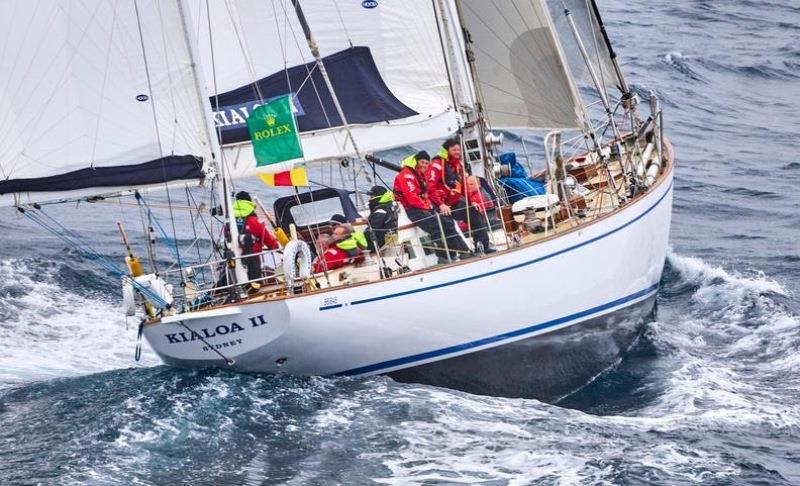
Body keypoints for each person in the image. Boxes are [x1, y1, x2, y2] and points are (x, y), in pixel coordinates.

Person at [393, 150, 468, 262]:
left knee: (448, 223)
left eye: (427, 163)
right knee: (435, 225)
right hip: (413, 210)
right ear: (416, 162)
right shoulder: (406, 175)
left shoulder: (419, 174)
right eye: (422, 162)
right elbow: (412, 198)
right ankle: (443, 257)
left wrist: (430, 206)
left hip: (423, 208)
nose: (424, 165)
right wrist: (428, 207)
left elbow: (426, 194)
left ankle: (463, 252)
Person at [427, 138, 493, 253]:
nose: (457, 152)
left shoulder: (458, 165)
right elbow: (430, 187)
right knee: (447, 226)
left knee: (475, 212)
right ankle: (459, 254)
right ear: (447, 150)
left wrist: (471, 201)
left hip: (454, 202)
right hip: (439, 204)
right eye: (454, 150)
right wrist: (441, 204)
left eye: (458, 149)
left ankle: (482, 246)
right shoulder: (437, 165)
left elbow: (462, 186)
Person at [233, 191, 279, 283]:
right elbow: (271, 244)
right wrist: (275, 244)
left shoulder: (229, 221)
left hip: (233, 263)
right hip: (252, 263)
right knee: (256, 285)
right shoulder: (255, 221)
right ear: (249, 202)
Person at [365, 185, 398, 251]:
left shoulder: (380, 211)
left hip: (380, 244)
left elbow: (372, 230)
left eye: (371, 197)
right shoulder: (389, 207)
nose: (369, 199)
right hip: (389, 239)